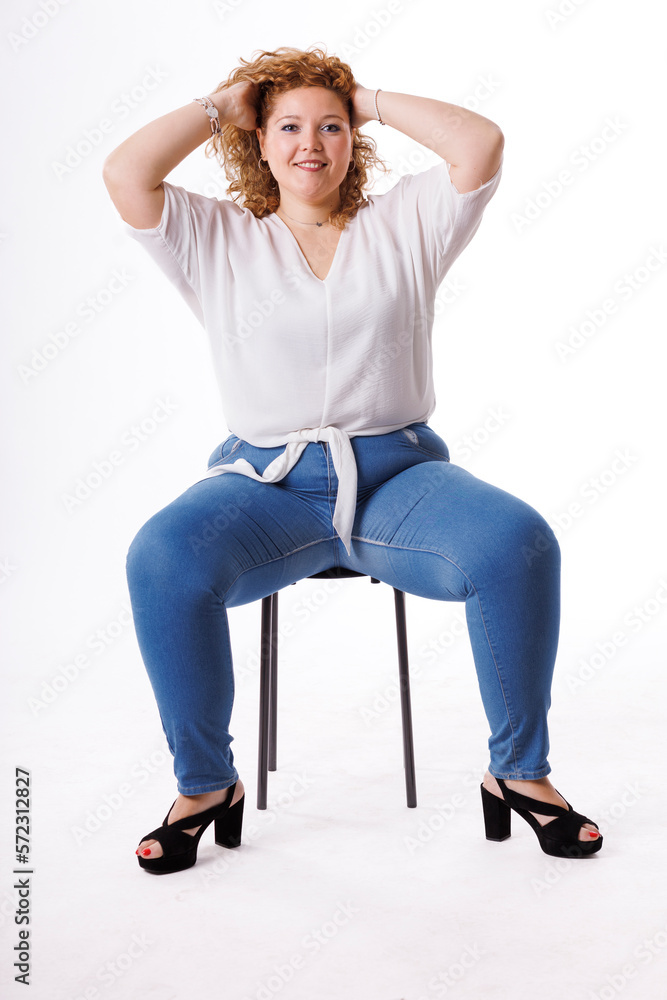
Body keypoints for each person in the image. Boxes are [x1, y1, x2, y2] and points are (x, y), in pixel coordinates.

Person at [102, 45, 602, 875]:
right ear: (257, 142)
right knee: (161, 558)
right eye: (289, 127)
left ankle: (518, 772)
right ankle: (204, 786)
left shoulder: (405, 222)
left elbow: (478, 143)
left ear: (354, 141)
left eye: (330, 128)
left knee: (518, 544)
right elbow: (126, 173)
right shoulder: (216, 236)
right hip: (265, 489)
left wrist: (358, 94)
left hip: (399, 479)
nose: (310, 143)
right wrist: (223, 105)